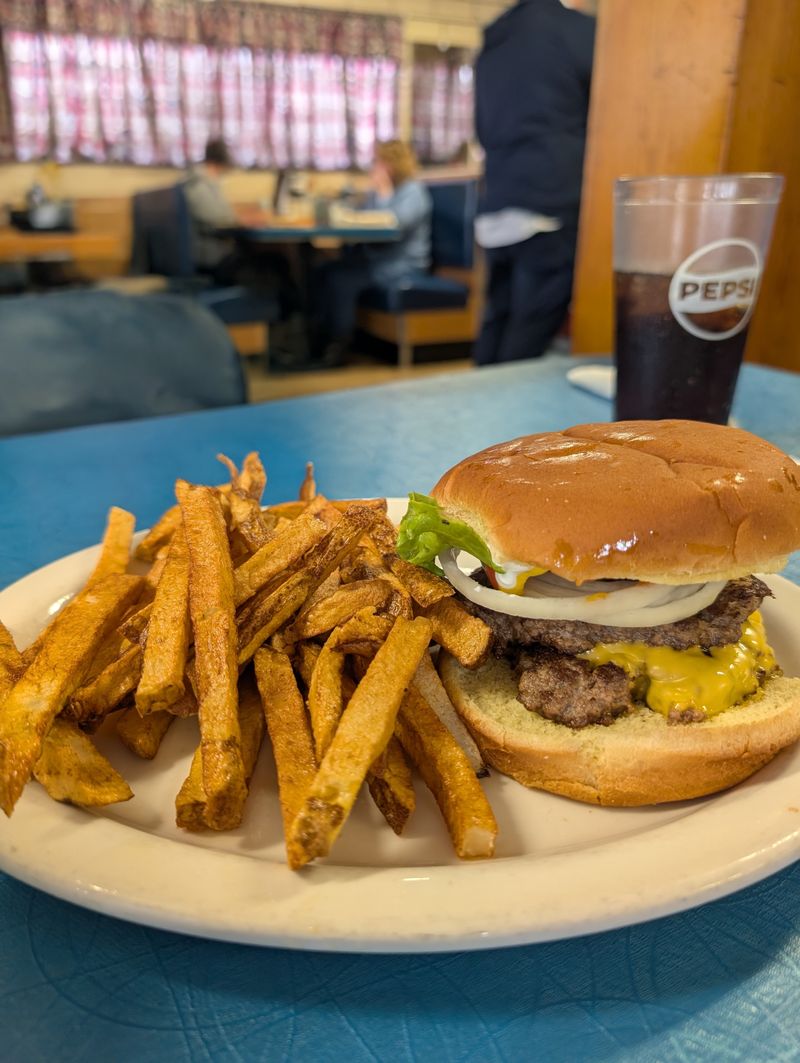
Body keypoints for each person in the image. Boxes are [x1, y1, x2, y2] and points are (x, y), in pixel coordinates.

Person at [473, 0, 596, 365]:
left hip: (497, 199)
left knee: (498, 320)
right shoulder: (573, 31)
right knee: (528, 335)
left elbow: (482, 128)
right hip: (551, 198)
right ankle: (511, 423)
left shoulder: (493, 42)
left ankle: (475, 418)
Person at [308, 140, 432, 367]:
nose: (372, 168)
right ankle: (315, 342)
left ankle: (337, 349)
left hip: (402, 265)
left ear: (390, 166)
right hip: (376, 261)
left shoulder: (413, 191)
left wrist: (382, 193)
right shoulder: (376, 194)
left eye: (377, 163)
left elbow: (395, 225)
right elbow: (360, 218)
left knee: (341, 280)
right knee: (322, 271)